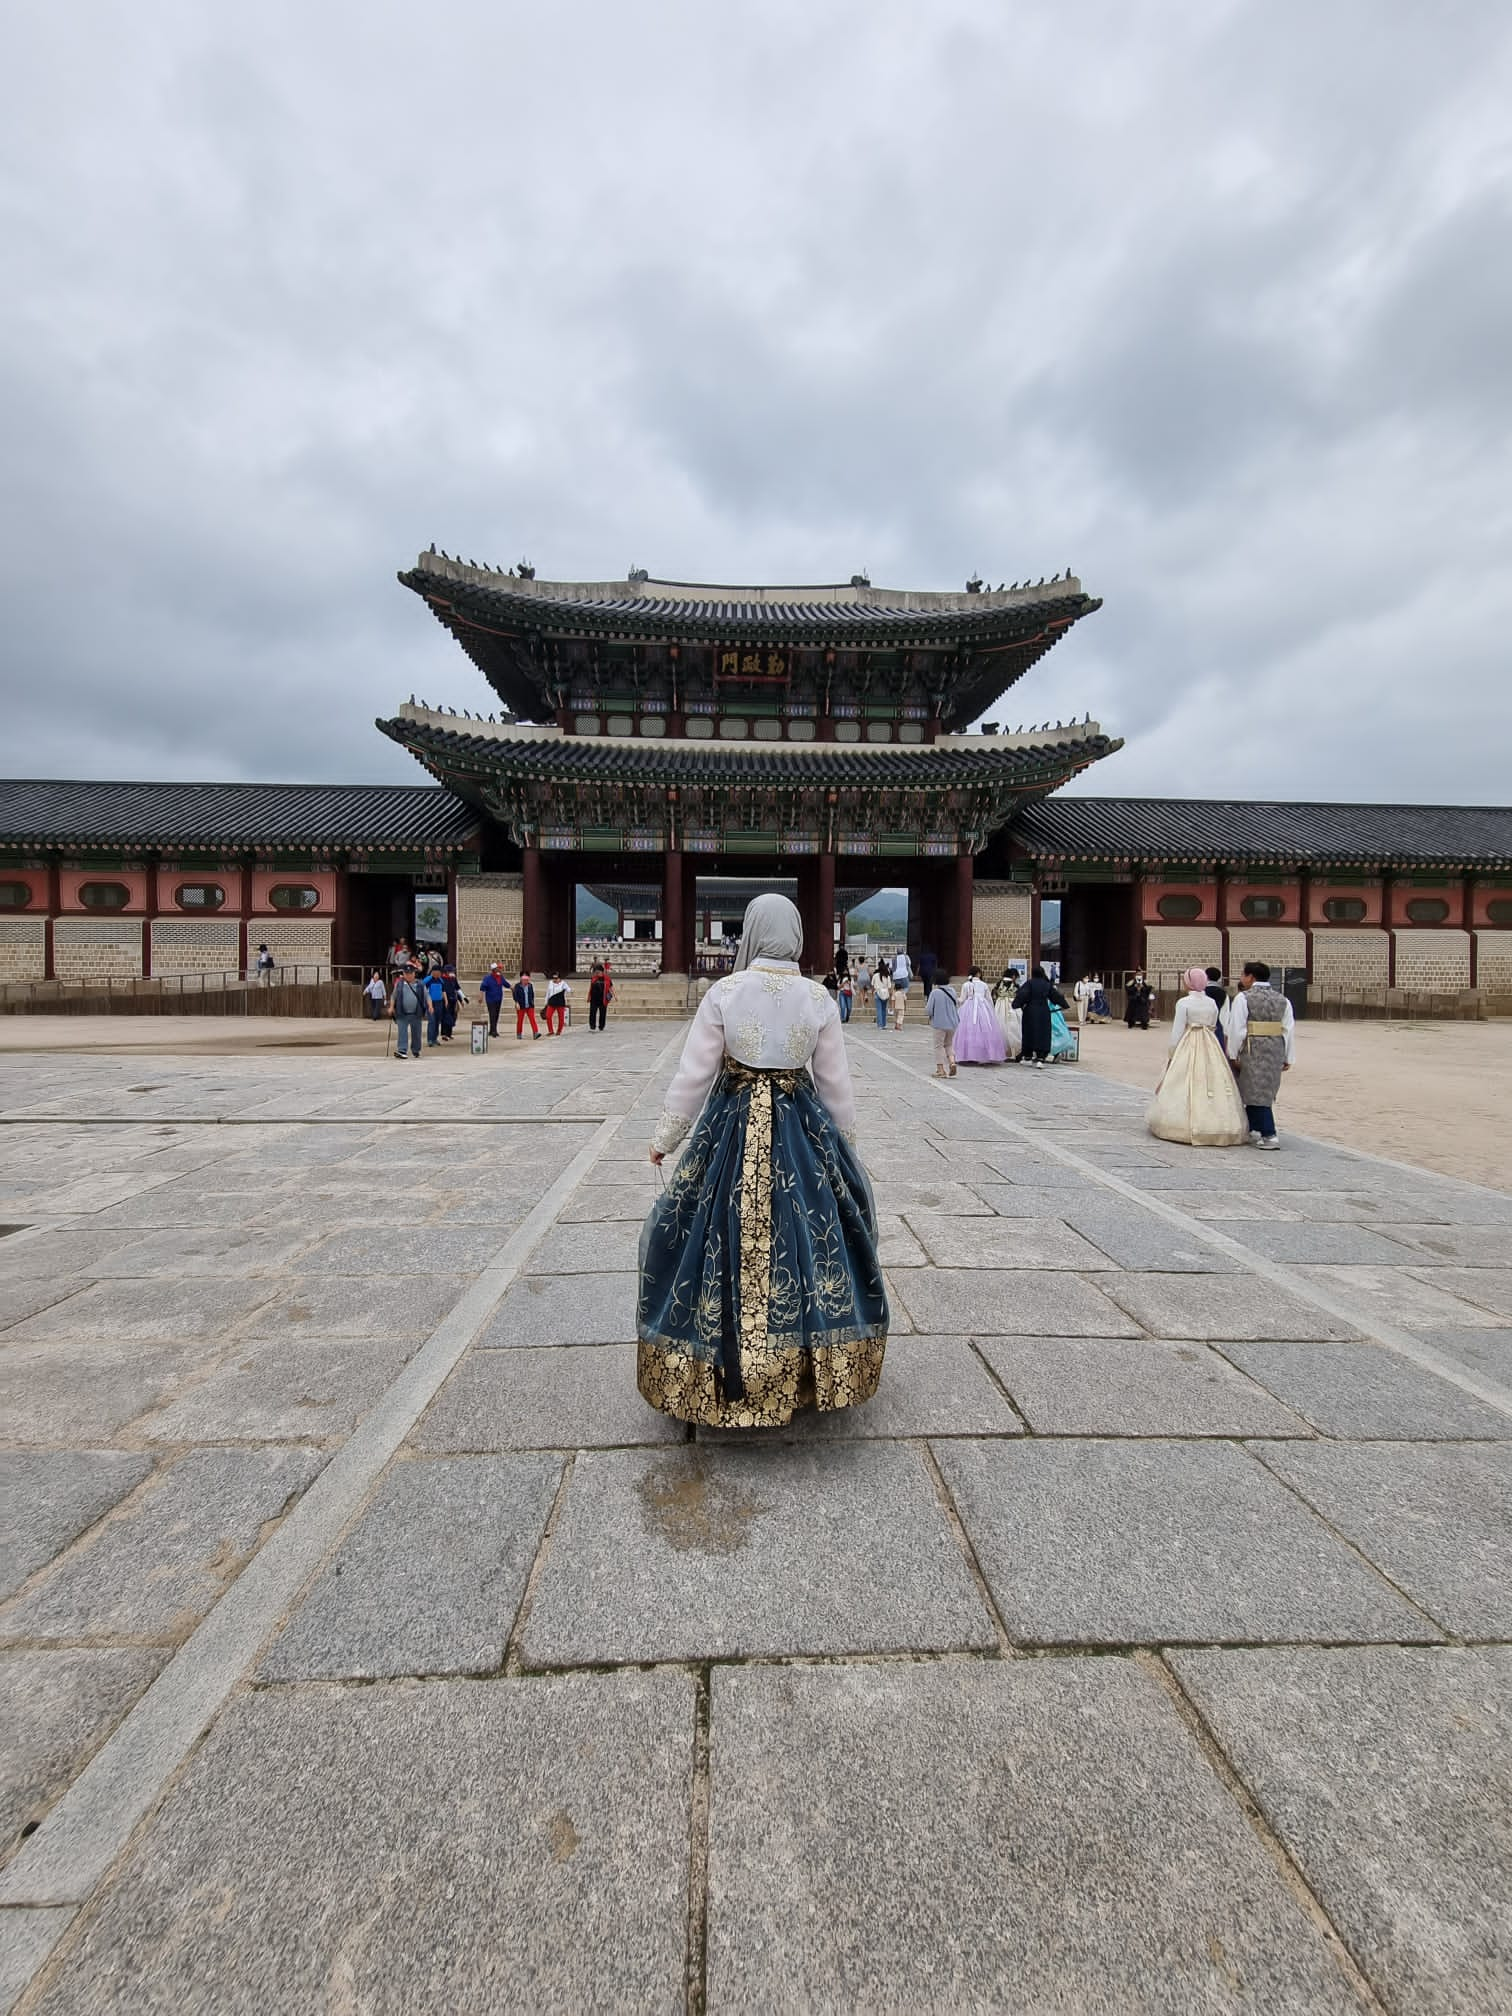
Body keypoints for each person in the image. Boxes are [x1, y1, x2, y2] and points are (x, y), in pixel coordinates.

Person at [637, 893, 887, 1428]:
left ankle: (719, 1368)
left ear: (750, 931)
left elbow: (694, 1075)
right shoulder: (817, 997)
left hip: (729, 1123)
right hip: (802, 1129)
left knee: (708, 1235)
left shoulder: (724, 993)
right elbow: (836, 1084)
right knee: (808, 1242)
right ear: (794, 934)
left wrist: (666, 1138)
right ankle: (803, 1367)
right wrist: (847, 1151)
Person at [1148, 968, 1248, 1147]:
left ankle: (1179, 1124)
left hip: (1189, 1040)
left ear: (1189, 982)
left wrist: (1172, 1053)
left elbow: (1177, 1031)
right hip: (1210, 1042)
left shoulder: (1184, 1003)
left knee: (1184, 1079)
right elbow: (1215, 1024)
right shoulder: (1211, 1003)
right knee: (1213, 1080)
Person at [1227, 961, 1295, 1148]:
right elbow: (1288, 1029)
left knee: (1253, 1091)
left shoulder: (1243, 998)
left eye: (1243, 975)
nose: (1242, 978)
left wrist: (1233, 1053)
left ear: (1250, 977)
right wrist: (1289, 1056)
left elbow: (1237, 1028)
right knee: (1264, 1090)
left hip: (1252, 1047)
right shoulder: (1283, 1000)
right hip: (1275, 1048)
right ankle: (1254, 1128)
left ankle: (1269, 1133)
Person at [1014, 965, 1069, 1068]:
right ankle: (1041, 1058)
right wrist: (1064, 1004)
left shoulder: (1029, 984)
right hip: (1043, 1011)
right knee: (1043, 1033)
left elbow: (1022, 995)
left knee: (1029, 1032)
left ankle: (1028, 1057)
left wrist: (1016, 1004)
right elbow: (1055, 995)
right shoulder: (1047, 985)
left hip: (1030, 1011)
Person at [955, 967, 1007, 1066]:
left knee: (967, 1031)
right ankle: (986, 1054)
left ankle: (968, 1054)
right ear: (978, 974)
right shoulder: (984, 985)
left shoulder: (966, 985)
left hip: (968, 1008)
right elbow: (989, 999)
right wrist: (991, 1011)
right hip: (983, 1008)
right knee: (985, 1031)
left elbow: (962, 999)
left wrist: (957, 1002)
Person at [925, 971, 960, 1077]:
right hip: (953, 1023)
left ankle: (940, 1070)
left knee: (938, 1046)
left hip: (940, 1023)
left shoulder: (935, 993)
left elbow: (929, 1009)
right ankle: (952, 1062)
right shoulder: (952, 991)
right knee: (949, 1044)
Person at [388, 961, 425, 1060]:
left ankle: (416, 1050)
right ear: (403, 974)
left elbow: (426, 996)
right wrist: (391, 1007)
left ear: (414, 973)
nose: (408, 975)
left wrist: (430, 1005)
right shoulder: (399, 984)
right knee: (402, 1032)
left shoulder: (420, 984)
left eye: (410, 973)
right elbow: (393, 996)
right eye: (406, 973)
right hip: (402, 1012)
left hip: (416, 1012)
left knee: (416, 1033)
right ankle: (402, 1050)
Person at [993, 968, 1023, 1059]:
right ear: (1013, 976)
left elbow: (993, 995)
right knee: (1015, 1028)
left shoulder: (998, 984)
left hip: (999, 1007)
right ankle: (1017, 1052)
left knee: (1000, 1026)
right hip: (1012, 1007)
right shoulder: (1015, 985)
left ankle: (1002, 1052)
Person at [479, 963, 506, 1038]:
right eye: (497, 969)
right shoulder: (487, 978)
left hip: (498, 999)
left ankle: (492, 1030)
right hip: (490, 1000)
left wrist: (512, 987)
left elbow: (505, 983)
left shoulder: (500, 977)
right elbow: (482, 988)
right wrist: (481, 997)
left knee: (496, 1015)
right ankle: (494, 1031)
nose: (499, 970)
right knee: (492, 1014)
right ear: (493, 970)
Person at [423, 963, 447, 1047]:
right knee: (432, 1021)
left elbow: (443, 991)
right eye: (437, 972)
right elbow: (423, 991)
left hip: (439, 1002)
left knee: (437, 1021)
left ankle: (435, 1038)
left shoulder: (441, 980)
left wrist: (446, 1000)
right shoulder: (427, 980)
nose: (439, 974)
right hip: (430, 1003)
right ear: (433, 972)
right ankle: (430, 1039)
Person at [439, 964, 464, 1041]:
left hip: (453, 1000)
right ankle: (444, 1034)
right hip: (445, 1001)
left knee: (453, 1017)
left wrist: (462, 999)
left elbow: (457, 989)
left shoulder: (453, 979)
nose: (452, 973)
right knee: (446, 1018)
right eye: (450, 971)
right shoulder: (442, 980)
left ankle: (449, 1034)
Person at [513, 971, 540, 1039]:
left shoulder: (530, 985)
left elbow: (532, 994)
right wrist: (516, 1003)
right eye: (524, 979)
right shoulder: (517, 986)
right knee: (520, 1020)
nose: (526, 981)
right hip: (521, 1005)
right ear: (521, 979)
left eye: (527, 979)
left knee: (532, 1019)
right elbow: (515, 995)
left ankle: (535, 1032)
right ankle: (519, 1033)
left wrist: (532, 1002)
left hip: (529, 1005)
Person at [890, 948, 912, 1027]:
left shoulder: (894, 958)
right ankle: (902, 996)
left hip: (896, 975)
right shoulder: (906, 957)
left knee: (896, 988)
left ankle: (896, 997)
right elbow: (909, 964)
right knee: (906, 987)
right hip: (904, 974)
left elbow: (891, 967)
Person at [587, 962, 609, 1031]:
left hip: (603, 998)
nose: (596, 973)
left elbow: (611, 987)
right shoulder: (593, 978)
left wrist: (614, 995)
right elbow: (591, 988)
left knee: (602, 1013)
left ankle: (601, 1026)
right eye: (595, 972)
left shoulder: (607, 979)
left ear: (601, 971)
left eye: (598, 972)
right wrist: (589, 996)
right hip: (594, 998)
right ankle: (592, 1026)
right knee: (592, 1012)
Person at [873, 960, 893, 1030]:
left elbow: (872, 985)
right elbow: (890, 987)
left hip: (877, 992)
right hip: (886, 993)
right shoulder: (887, 977)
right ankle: (884, 1024)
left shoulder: (875, 975)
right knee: (884, 1009)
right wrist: (890, 996)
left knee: (879, 1009)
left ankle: (880, 1025)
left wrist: (873, 992)